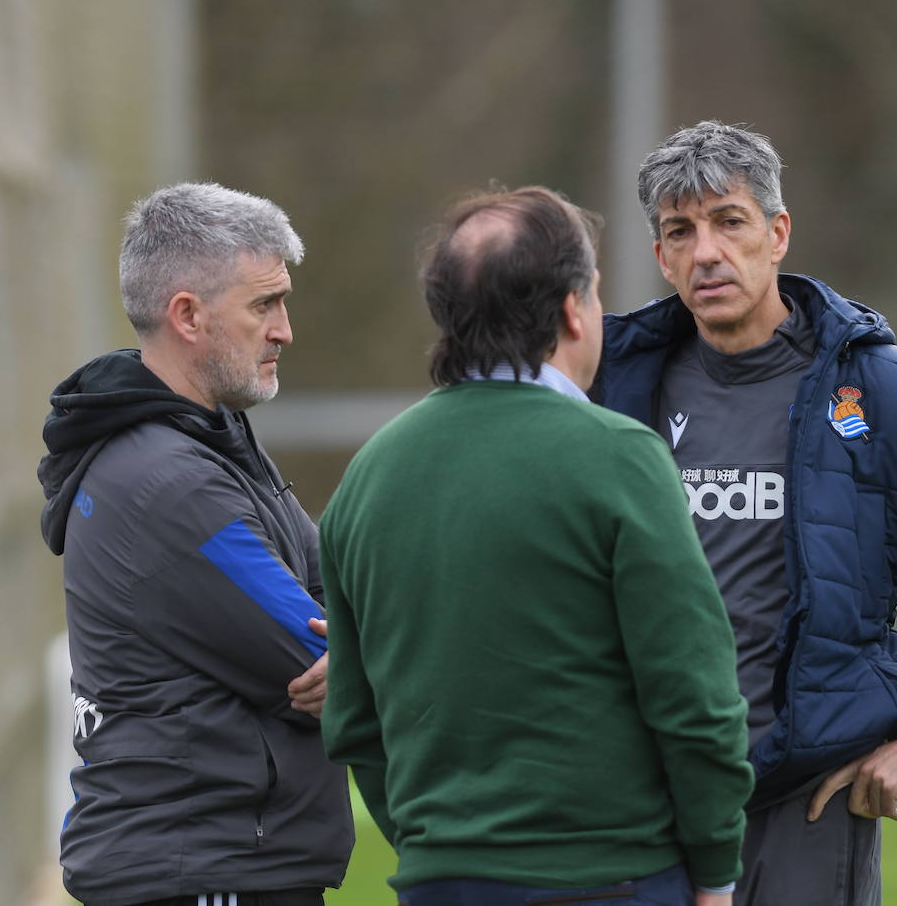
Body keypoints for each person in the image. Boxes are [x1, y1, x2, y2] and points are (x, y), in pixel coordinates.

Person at [595, 120, 897, 904]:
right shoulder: (607, 389)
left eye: (729, 221)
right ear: (661, 256)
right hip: (634, 803)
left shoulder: (895, 393)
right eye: (680, 232)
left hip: (805, 801)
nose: (706, 252)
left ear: (777, 233)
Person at [318, 186, 753, 906]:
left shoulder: (367, 476)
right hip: (607, 880)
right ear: (574, 309)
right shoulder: (619, 457)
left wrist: (442, 846)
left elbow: (354, 721)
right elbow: (693, 695)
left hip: (437, 881)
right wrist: (716, 865)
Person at [37, 182, 353, 906]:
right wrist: (362, 656)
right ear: (187, 315)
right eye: (264, 305)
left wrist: (357, 646)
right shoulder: (169, 482)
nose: (285, 330)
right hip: (203, 870)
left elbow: (335, 577)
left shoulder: (211, 436)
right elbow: (311, 650)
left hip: (220, 860)